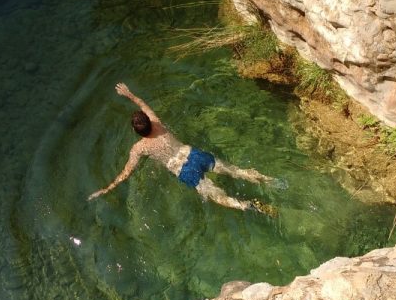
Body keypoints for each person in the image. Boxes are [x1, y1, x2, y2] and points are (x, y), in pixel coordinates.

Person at [88, 83, 276, 215]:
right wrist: (129, 94)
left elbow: (126, 173)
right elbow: (143, 105)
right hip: (193, 154)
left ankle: (250, 206)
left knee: (219, 198)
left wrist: (106, 189)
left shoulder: (139, 148)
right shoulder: (158, 123)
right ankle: (267, 180)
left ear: (134, 131)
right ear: (148, 121)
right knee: (236, 171)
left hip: (185, 171)